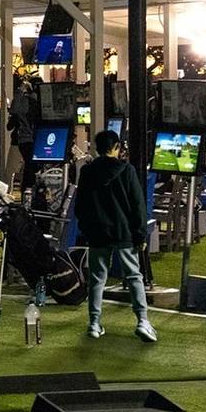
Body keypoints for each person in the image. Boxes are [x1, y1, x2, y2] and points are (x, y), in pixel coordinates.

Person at [73, 128, 156, 342]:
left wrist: (86, 228)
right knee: (134, 276)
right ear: (117, 148)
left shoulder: (87, 172)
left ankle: (94, 322)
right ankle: (143, 321)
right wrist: (140, 235)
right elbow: (138, 206)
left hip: (98, 233)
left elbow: (80, 205)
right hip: (124, 233)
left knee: (97, 279)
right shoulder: (127, 171)